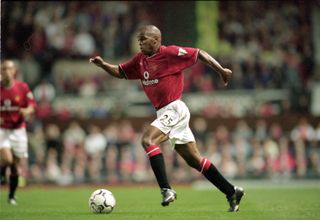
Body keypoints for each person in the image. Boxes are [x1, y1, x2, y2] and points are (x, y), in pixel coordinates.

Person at [89, 25, 244, 212]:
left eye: (143, 39)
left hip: (175, 108)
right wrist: (103, 65)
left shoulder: (170, 53)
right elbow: (121, 72)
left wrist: (221, 71)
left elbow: (199, 53)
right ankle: (231, 191)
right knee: (195, 160)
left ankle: (166, 189)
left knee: (148, 140)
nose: (139, 42)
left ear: (156, 39)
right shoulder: (140, 60)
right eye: (139, 39)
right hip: (164, 113)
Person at [0, 60, 36, 205]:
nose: (5, 71)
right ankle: (2, 172)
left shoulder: (22, 87)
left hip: (18, 130)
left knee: (15, 167)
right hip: (3, 130)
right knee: (7, 159)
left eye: (8, 68)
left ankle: (12, 196)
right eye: (3, 69)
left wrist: (27, 110)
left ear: (14, 71)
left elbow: (32, 105)